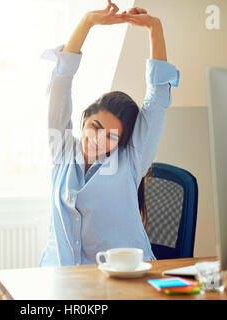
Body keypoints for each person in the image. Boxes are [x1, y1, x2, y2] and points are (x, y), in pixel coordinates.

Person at [39, 0, 180, 267]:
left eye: (111, 138)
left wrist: (155, 29)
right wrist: (87, 23)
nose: (98, 141)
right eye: (95, 128)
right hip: (61, 275)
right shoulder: (62, 150)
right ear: (84, 121)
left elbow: (157, 99)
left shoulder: (131, 160)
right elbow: (60, 85)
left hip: (123, 279)